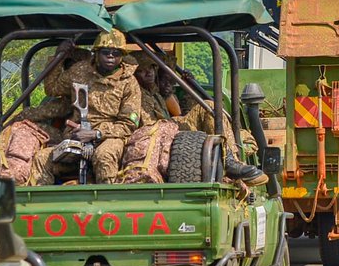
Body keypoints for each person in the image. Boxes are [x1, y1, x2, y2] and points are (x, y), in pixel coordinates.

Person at [126, 52, 263, 183]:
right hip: (158, 134)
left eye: (151, 68)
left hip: (170, 128)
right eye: (142, 71)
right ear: (134, 73)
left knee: (216, 112)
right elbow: (149, 126)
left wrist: (188, 87)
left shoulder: (154, 91)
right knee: (209, 107)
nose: (149, 73)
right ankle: (229, 161)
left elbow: (178, 112)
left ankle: (230, 158)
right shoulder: (135, 91)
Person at [28, 29, 142, 184]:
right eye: (105, 52)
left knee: (104, 157)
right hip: (77, 135)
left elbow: (128, 124)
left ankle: (107, 198)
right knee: (42, 158)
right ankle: (44, 198)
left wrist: (96, 134)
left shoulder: (128, 82)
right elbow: (53, 89)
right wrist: (59, 56)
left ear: (122, 56)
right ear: (96, 53)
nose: (111, 56)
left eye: (116, 53)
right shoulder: (80, 71)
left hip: (110, 138)